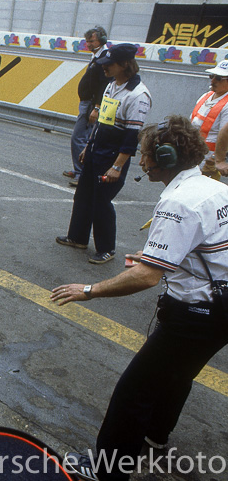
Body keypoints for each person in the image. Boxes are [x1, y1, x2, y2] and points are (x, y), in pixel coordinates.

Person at [51, 115, 228, 481]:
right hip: (221, 310)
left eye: (146, 155)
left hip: (193, 315)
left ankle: (108, 470)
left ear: (164, 158)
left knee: (133, 392)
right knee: (179, 375)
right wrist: (161, 257)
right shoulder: (215, 188)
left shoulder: (178, 203)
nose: (142, 161)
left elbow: (147, 276)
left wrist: (89, 290)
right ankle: (155, 438)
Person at [56, 44, 151, 264]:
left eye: (109, 65)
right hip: (96, 149)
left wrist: (117, 166)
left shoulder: (138, 95)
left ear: (124, 65)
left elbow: (131, 136)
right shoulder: (111, 86)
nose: (104, 68)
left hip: (113, 155)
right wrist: (88, 146)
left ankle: (107, 248)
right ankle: (77, 237)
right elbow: (101, 121)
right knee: (83, 194)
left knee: (101, 201)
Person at [64, 27, 110, 187]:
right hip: (88, 102)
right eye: (87, 41)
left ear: (102, 41)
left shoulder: (104, 58)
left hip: (91, 104)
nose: (88, 44)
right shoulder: (97, 56)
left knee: (79, 137)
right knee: (84, 138)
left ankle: (81, 172)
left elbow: (103, 85)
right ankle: (79, 169)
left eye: (91, 41)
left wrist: (96, 107)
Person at [193, 60, 228, 175]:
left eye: (218, 78)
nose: (212, 80)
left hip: (207, 161)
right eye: (212, 76)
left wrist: (215, 159)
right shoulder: (207, 96)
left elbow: (225, 134)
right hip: (192, 154)